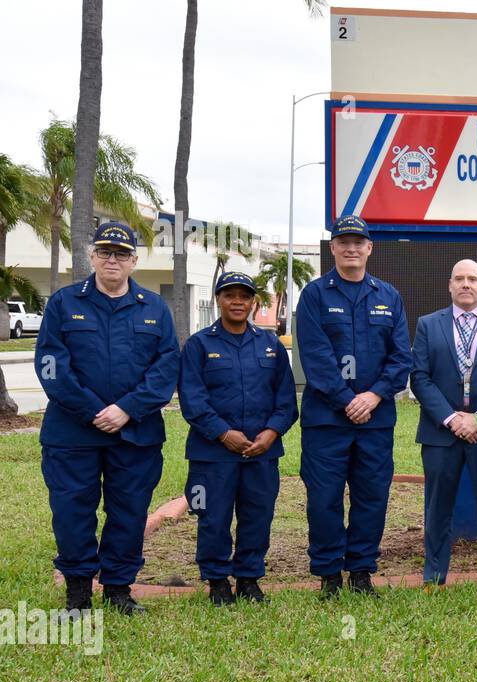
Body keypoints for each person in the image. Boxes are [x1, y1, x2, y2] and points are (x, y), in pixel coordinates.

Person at [35, 221, 179, 616]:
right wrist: (93, 411)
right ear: (92, 257)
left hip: (136, 435)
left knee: (129, 512)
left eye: (121, 253)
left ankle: (118, 591)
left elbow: (166, 367)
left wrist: (126, 409)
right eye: (104, 252)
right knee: (72, 512)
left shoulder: (154, 309)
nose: (112, 259)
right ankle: (78, 596)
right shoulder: (64, 304)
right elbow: (50, 366)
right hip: (72, 434)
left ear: (134, 260)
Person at [295, 215, 412, 597]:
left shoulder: (389, 296)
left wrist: (373, 396)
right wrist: (347, 400)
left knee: (371, 496)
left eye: (358, 242)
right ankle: (329, 574)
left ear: (369, 248)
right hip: (327, 421)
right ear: (332, 248)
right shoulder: (314, 295)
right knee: (324, 498)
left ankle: (361, 572)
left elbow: (401, 358)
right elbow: (315, 358)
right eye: (343, 241)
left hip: (375, 421)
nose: (351, 248)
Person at [178, 271, 298, 605]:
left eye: (244, 296)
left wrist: (271, 433)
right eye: (229, 295)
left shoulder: (271, 345)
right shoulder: (200, 345)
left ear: (253, 302)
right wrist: (223, 434)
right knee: (213, 517)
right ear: (218, 299)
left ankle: (248, 578)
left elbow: (286, 399)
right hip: (212, 454)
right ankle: (217, 581)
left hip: (262, 452)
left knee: (257, 516)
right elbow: (192, 399)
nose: (237, 302)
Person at [409, 259, 477, 592]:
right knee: (437, 509)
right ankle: (433, 579)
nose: (466, 284)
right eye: (459, 278)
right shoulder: (428, 325)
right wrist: (451, 418)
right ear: (449, 285)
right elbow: (420, 377)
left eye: (473, 279)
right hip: (441, 434)